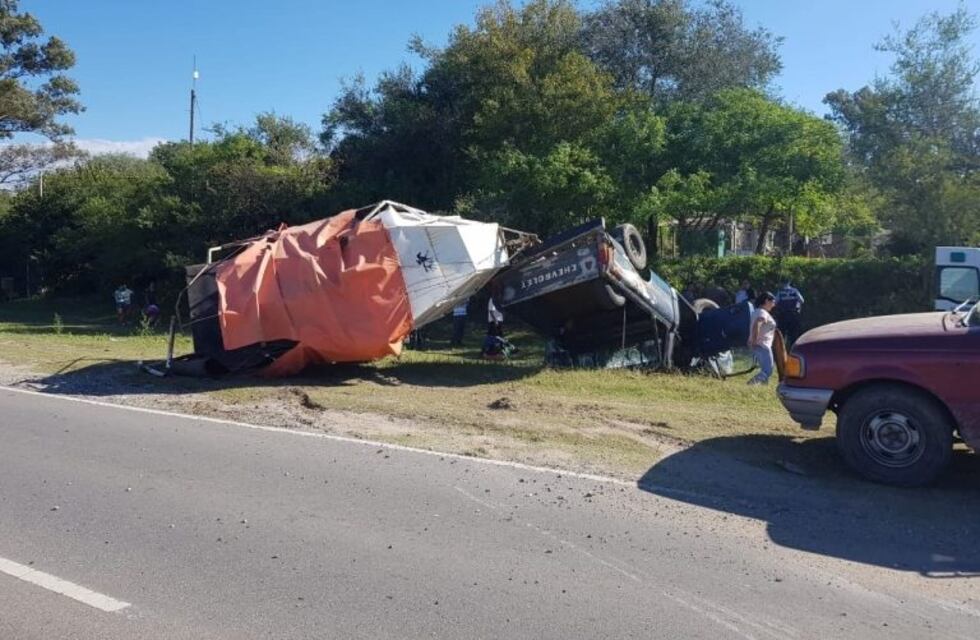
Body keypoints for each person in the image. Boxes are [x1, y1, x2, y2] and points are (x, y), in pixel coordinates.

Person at [747, 291, 778, 385]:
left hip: (759, 344)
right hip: (762, 344)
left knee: (765, 369)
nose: (774, 304)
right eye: (773, 302)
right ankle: (750, 385)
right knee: (768, 370)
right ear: (766, 301)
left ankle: (763, 388)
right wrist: (755, 340)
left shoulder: (756, 311)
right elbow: (757, 324)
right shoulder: (762, 312)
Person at [775, 280, 805, 347]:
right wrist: (798, 306)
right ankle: (792, 349)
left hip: (783, 315)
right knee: (793, 334)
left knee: (782, 335)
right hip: (793, 315)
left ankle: (782, 349)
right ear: (789, 283)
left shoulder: (780, 292)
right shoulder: (795, 291)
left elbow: (775, 302)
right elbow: (802, 301)